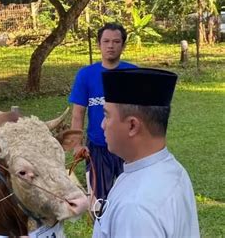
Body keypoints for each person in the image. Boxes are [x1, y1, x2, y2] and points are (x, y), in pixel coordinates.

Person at [93, 68, 199, 237]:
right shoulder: (171, 169)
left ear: (132, 126)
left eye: (107, 116)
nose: (102, 125)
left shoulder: (136, 207)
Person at [69, 23, 137, 202]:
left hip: (128, 148)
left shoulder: (133, 74)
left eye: (116, 41)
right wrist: (77, 144)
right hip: (97, 149)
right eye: (106, 41)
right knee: (99, 203)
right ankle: (102, 229)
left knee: (132, 199)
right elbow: (78, 114)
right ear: (99, 44)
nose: (111, 45)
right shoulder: (86, 75)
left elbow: (143, 113)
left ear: (123, 45)